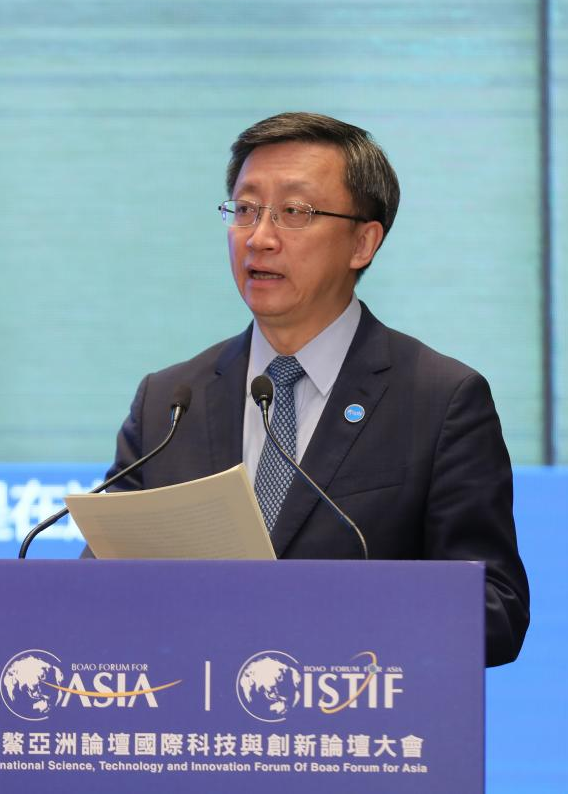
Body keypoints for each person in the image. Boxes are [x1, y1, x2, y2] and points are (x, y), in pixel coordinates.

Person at [101, 112, 529, 666]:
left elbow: (496, 611)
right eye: (246, 209)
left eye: (295, 212)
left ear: (363, 242)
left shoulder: (441, 401)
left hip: (352, 711)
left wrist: (323, 611)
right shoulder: (169, 403)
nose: (259, 238)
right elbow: (99, 585)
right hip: (192, 713)